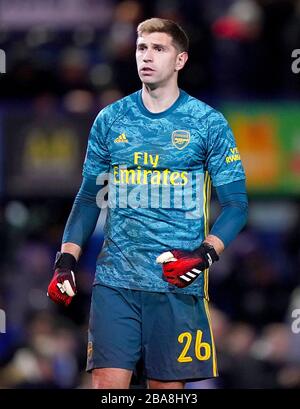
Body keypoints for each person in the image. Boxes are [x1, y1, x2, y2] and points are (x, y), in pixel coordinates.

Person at [47, 17, 248, 389]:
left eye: (159, 48)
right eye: (142, 48)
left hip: (176, 284)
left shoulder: (208, 123)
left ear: (180, 60)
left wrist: (204, 255)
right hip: (115, 283)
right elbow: (90, 196)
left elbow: (236, 205)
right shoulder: (110, 119)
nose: (147, 56)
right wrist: (65, 261)